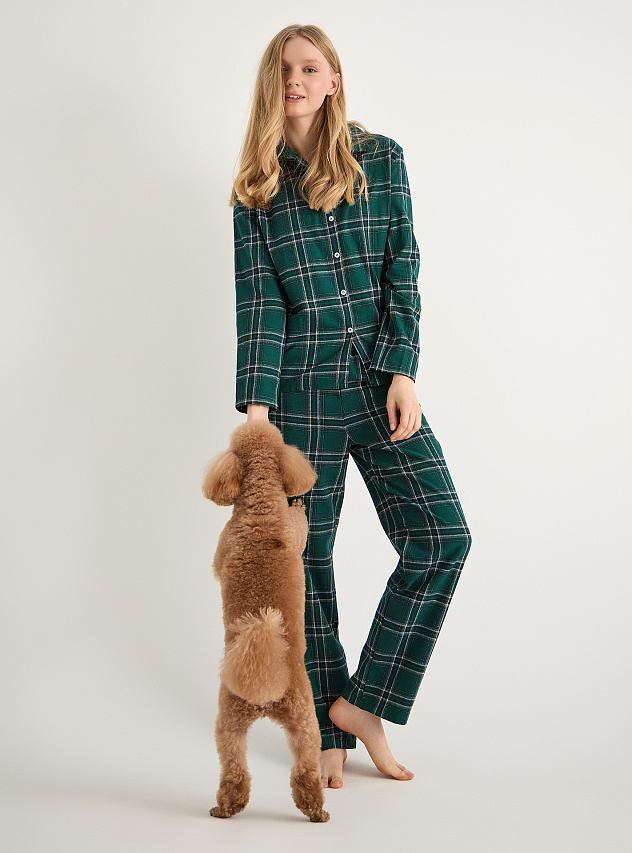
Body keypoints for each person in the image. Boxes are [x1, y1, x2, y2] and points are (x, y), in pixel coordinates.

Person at [229, 23, 472, 789]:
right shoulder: (256, 189)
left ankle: (362, 703)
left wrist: (403, 369)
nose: (295, 80)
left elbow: (404, 267)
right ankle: (324, 728)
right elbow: (260, 304)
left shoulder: (382, 159)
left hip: (379, 383)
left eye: (310, 68)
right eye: (283, 70)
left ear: (333, 79)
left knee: (442, 536)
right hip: (301, 393)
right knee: (308, 561)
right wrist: (259, 415)